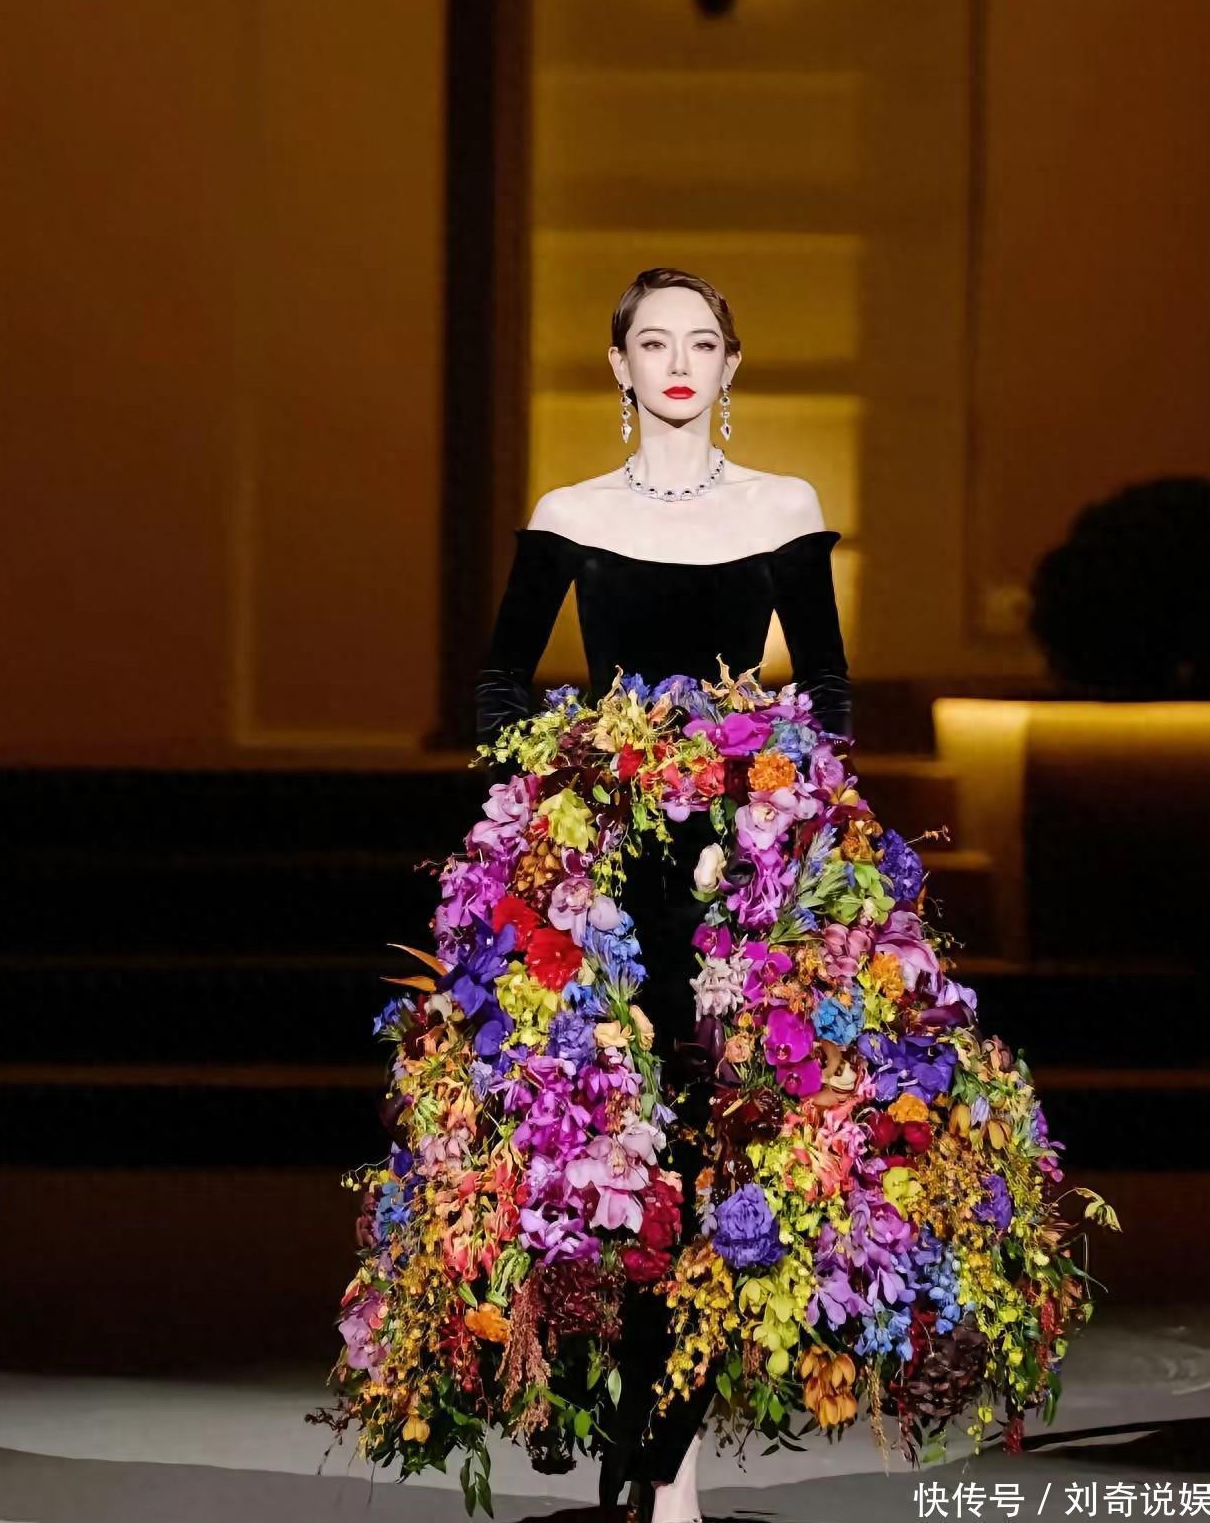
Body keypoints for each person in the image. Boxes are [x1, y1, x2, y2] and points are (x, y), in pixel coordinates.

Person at [473, 266, 853, 1523]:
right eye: (653, 341)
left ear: (730, 366)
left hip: (736, 871)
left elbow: (827, 696)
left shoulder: (782, 505)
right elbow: (500, 686)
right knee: (606, 1157)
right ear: (619, 365)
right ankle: (633, 1451)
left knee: (717, 1147)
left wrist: (781, 814)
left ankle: (662, 1467)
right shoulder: (571, 510)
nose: (678, 362)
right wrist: (563, 789)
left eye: (700, 342)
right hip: (601, 879)